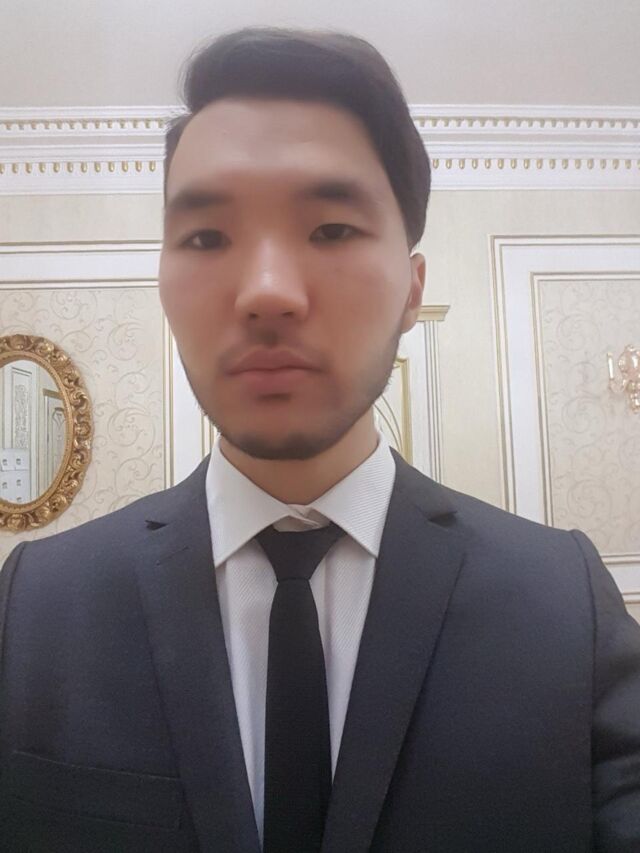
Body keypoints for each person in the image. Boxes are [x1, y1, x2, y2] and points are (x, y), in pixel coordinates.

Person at [1, 27, 639, 853]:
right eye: (207, 237)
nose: (267, 291)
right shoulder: (36, 607)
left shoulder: (563, 603)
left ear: (411, 291)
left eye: (332, 229)